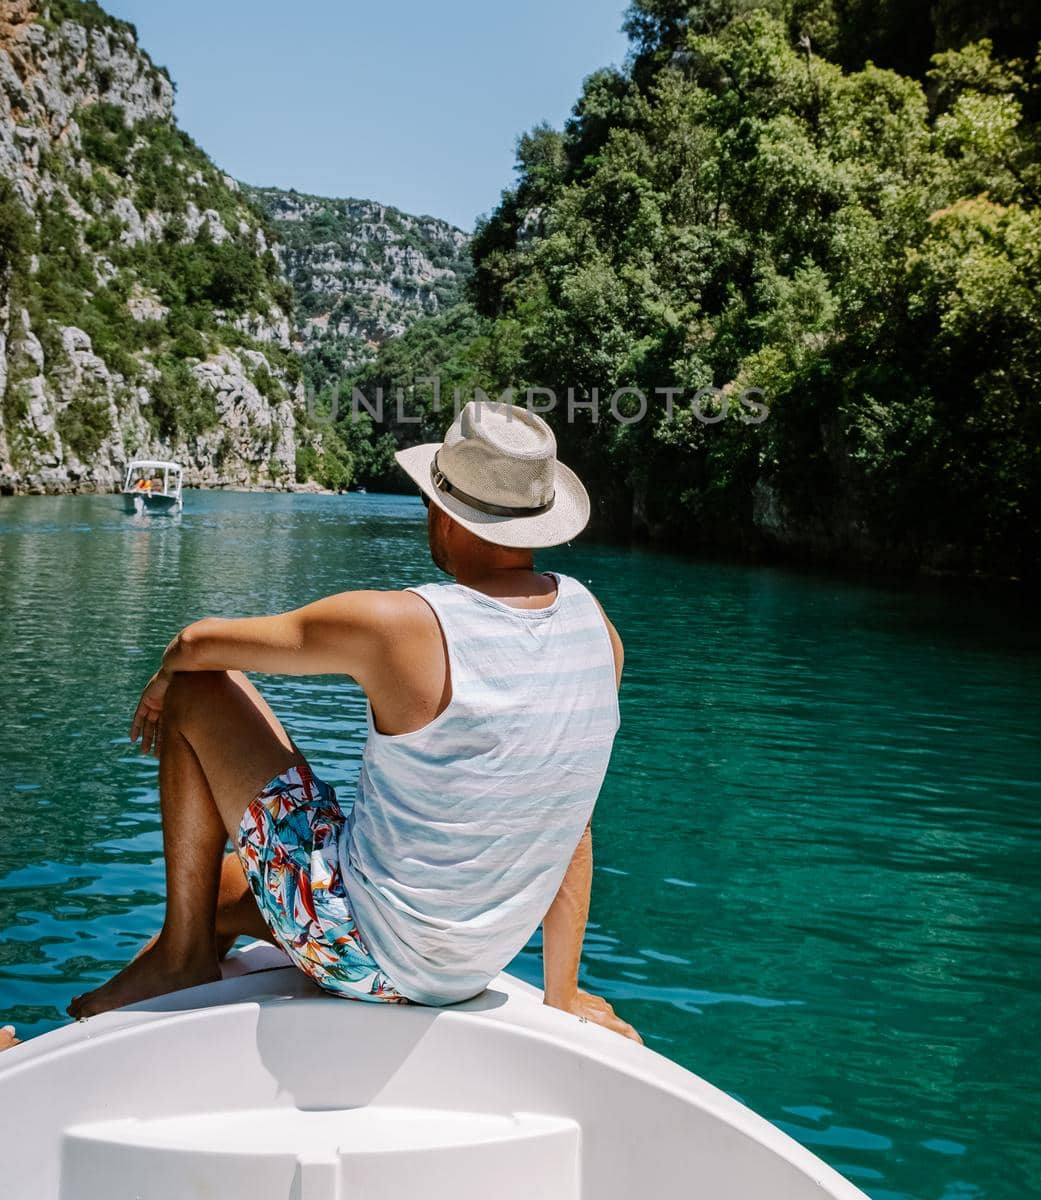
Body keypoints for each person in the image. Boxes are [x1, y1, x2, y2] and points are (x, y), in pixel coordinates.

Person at [68, 402, 640, 1042]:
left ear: (443, 513)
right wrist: (562, 992)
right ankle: (192, 941)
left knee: (200, 691)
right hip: (472, 964)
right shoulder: (600, 632)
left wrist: (164, 680)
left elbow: (199, 643)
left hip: (362, 954)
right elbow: (572, 818)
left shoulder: (401, 625)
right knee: (225, 888)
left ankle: (180, 960)